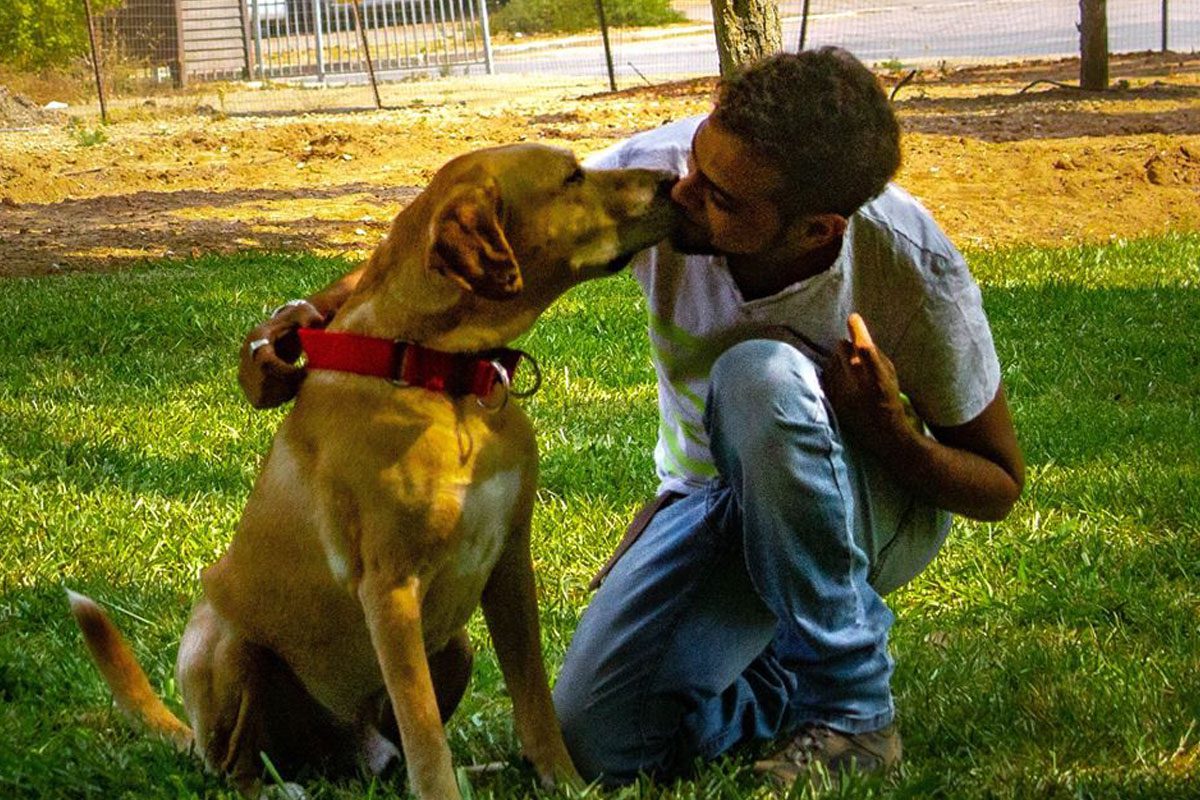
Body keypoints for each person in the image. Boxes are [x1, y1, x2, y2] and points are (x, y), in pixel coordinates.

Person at [238, 47, 1024, 792]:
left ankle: (854, 714)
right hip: (711, 507)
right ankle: (773, 679)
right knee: (600, 738)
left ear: (817, 229)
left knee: (759, 378)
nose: (681, 193)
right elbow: (472, 234)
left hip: (865, 508)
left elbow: (997, 484)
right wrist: (309, 321)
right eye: (696, 161)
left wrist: (885, 426)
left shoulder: (911, 267)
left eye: (720, 198)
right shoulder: (677, 178)